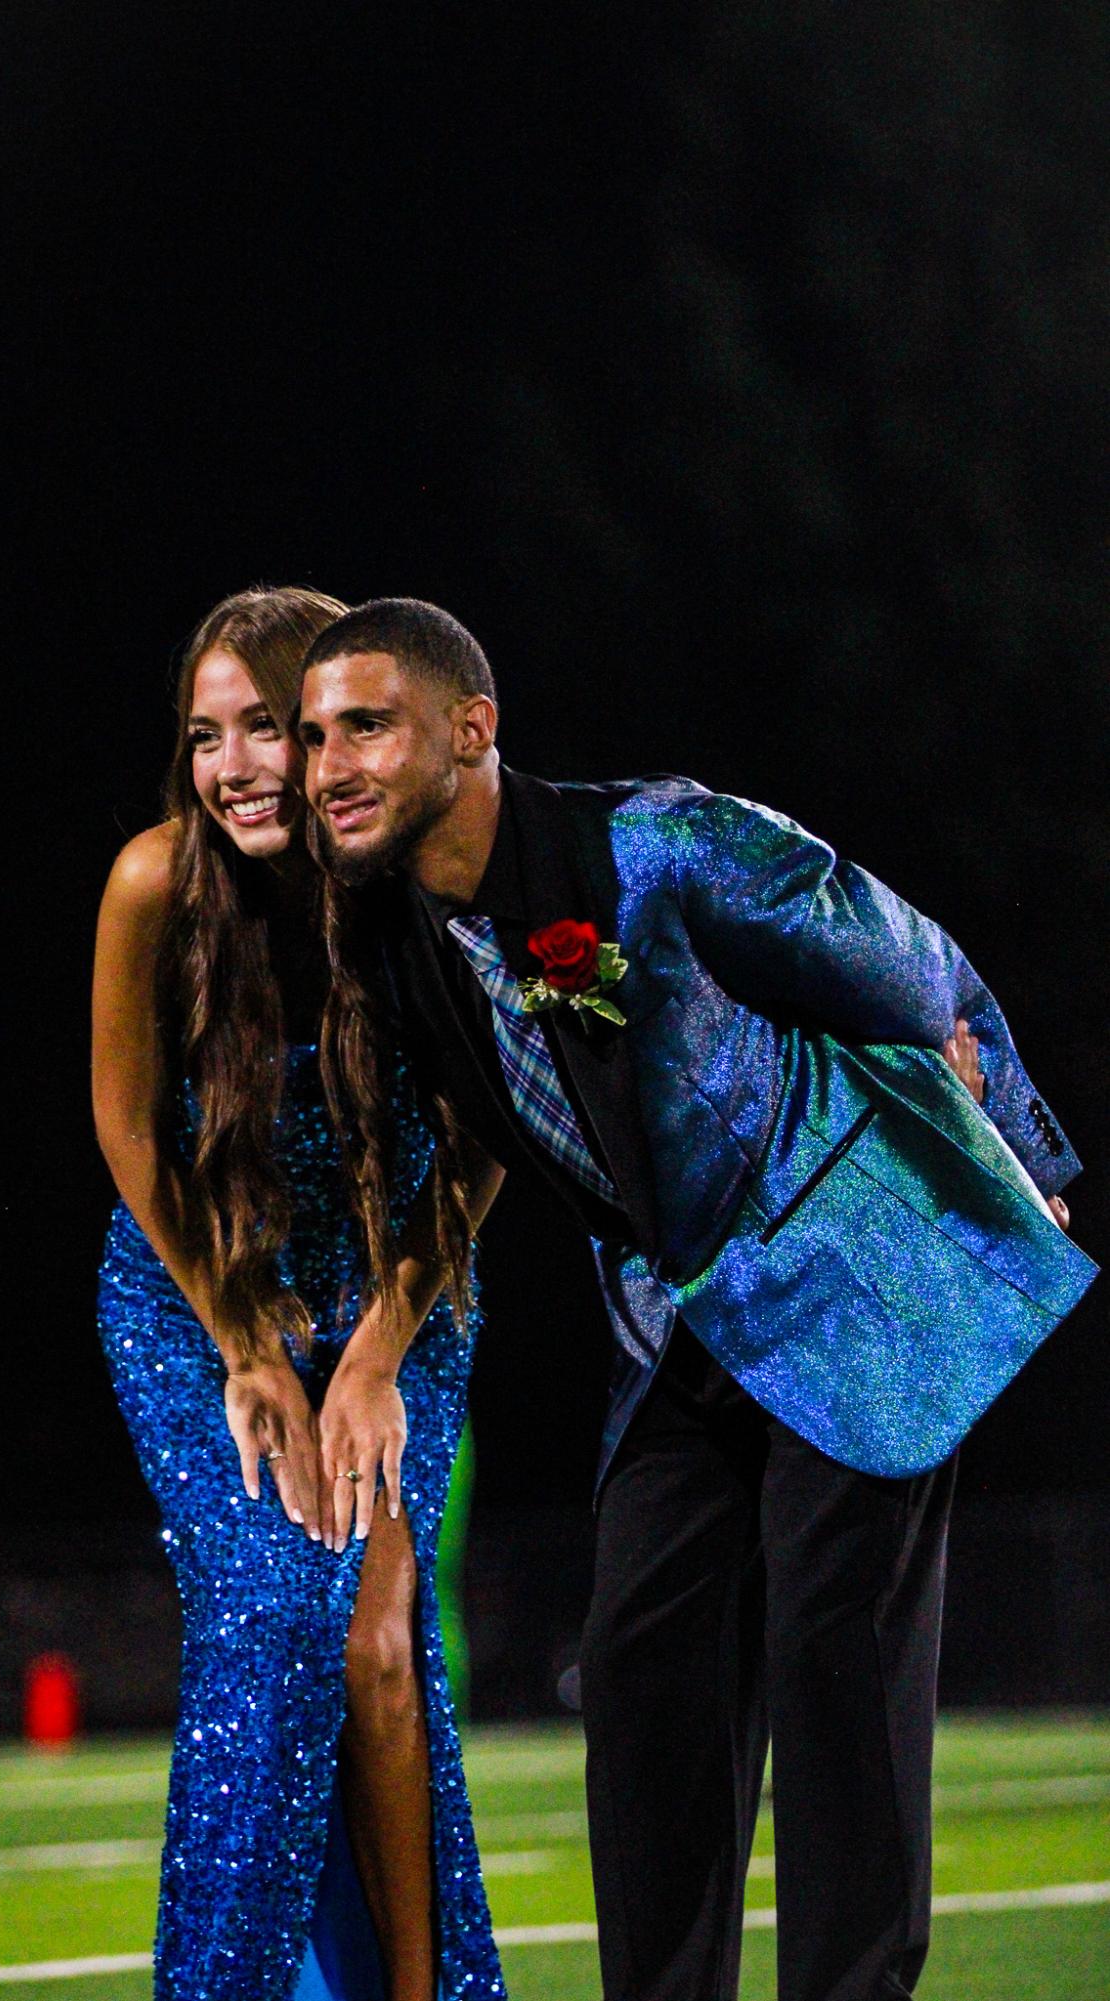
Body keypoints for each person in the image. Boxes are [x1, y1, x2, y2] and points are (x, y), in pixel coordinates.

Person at [297, 597, 1094, 2001]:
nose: (325, 762)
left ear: (469, 732)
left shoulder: (650, 841)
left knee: (833, 1662)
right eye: (313, 736)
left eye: (364, 723)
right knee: (641, 1660)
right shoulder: (404, 940)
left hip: (851, 1285)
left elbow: (906, 965)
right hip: (678, 1324)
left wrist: (1025, 1156)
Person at [91, 587, 507, 2001]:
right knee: (273, 1616)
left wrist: (377, 1347)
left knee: (383, 1642)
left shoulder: (405, 888)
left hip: (397, 1292)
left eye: (264, 725)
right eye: (205, 736)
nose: (236, 767)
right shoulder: (154, 879)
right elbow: (131, 1129)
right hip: (194, 1299)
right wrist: (238, 1335)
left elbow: (480, 1141)